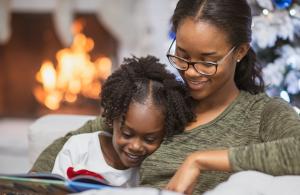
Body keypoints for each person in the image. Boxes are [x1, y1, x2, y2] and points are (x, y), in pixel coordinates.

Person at [31, 0, 300, 194]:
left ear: (240, 51)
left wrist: (200, 160)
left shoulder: (263, 114)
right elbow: (73, 139)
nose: (191, 72)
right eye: (182, 56)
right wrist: (28, 186)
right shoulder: (161, 101)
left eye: (208, 61)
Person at [50, 55, 195, 187]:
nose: (136, 146)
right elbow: (53, 189)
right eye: (127, 134)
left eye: (150, 139)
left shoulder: (148, 170)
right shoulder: (79, 149)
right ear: (112, 120)